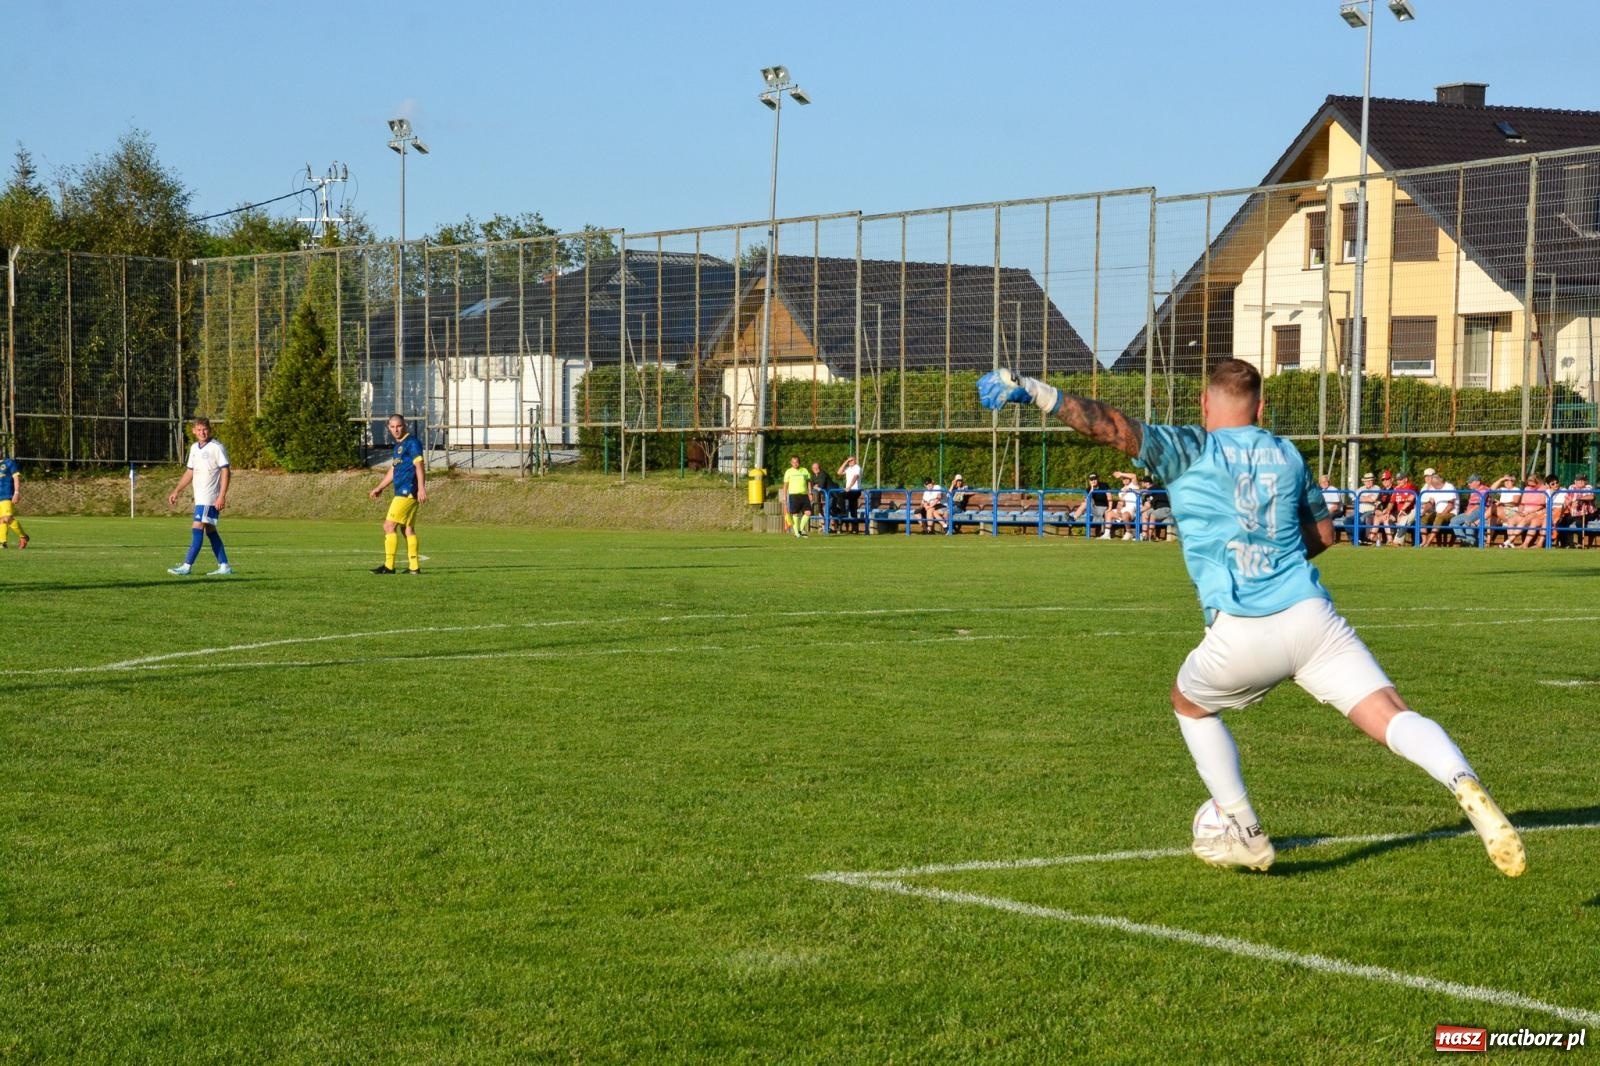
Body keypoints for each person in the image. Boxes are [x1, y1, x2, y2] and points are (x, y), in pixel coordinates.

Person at [978, 359, 1525, 877]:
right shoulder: (1287, 454)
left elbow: (1114, 428)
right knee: (1390, 712)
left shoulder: (1192, 447)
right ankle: (1462, 779)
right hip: (1313, 618)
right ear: (1261, 409)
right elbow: (1325, 534)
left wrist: (1036, 391)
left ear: (1204, 405)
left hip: (1242, 627)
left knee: (1189, 705)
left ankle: (1243, 827)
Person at [166, 416, 232, 576]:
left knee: (197, 527)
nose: (202, 432)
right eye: (199, 429)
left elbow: (226, 471)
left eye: (205, 429)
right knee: (210, 530)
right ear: (194, 431)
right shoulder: (195, 448)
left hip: (210, 497)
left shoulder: (217, 447)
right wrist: (177, 490)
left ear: (210, 430)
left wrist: (221, 496)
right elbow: (190, 472)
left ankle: (186, 566)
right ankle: (224, 565)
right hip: (200, 497)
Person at [369, 413, 426, 572]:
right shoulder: (398, 446)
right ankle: (414, 567)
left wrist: (421, 487)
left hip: (407, 491)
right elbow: (394, 470)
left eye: (398, 426)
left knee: (388, 525)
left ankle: (389, 566)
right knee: (407, 528)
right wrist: (380, 487)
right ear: (389, 428)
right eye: (392, 427)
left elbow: (419, 466)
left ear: (404, 425)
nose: (396, 430)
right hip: (403, 490)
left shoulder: (412, 443)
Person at [1417, 468, 1457, 547]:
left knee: (1439, 517)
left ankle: (1428, 543)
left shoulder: (1449, 487)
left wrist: (1441, 514)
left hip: (1451, 513)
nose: (1432, 486)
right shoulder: (1433, 488)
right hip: (1438, 513)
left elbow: (1450, 505)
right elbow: (1431, 503)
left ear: (1438, 481)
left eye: (1434, 484)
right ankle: (1424, 542)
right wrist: (1423, 511)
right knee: (1423, 518)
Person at [1448, 474, 1490, 546]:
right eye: (1468, 482)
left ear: (1478, 482)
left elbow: (1479, 504)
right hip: (1471, 511)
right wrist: (1468, 510)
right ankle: (1465, 541)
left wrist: (1469, 511)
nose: (1468, 484)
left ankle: (1470, 542)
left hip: (1480, 510)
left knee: (1468, 521)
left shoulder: (1484, 489)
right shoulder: (1473, 491)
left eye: (1470, 482)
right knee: (1453, 521)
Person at [0, 450, 29, 549]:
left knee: (7, 518)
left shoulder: (9, 463)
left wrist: (16, 493)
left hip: (7, 495)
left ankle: (23, 536)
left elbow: (16, 478)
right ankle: (2, 543)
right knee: (1, 520)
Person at [780, 455, 811, 538]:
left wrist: (810, 493)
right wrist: (784, 496)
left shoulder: (804, 470)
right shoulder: (788, 472)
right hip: (793, 495)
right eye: (793, 462)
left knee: (808, 512)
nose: (795, 463)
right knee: (795, 514)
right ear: (791, 463)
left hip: (804, 494)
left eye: (796, 462)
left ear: (799, 462)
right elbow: (785, 485)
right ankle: (796, 532)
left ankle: (801, 529)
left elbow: (808, 482)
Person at [1139, 475, 1173, 540]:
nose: (1141, 484)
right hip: (1157, 509)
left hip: (1165, 509)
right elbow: (1147, 505)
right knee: (1144, 514)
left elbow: (1143, 492)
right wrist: (1138, 511)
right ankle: (1144, 535)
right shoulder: (1148, 494)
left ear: (1147, 483)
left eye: (1142, 482)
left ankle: (1149, 537)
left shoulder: (1155, 487)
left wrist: (1131, 490)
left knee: (1153, 515)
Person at [836, 455, 863, 533]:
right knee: (853, 508)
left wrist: (850, 486)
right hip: (849, 491)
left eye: (852, 460)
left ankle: (843, 512)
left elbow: (856, 477)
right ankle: (855, 529)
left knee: (841, 495)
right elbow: (839, 472)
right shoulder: (848, 468)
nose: (851, 462)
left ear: (855, 461)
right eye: (849, 461)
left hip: (855, 490)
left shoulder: (857, 467)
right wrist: (845, 462)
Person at [809, 462, 839, 532]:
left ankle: (827, 529)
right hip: (826, 495)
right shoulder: (813, 476)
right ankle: (835, 525)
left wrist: (816, 486)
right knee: (830, 510)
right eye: (814, 468)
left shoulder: (823, 474)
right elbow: (811, 484)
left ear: (820, 467)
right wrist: (814, 486)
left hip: (832, 494)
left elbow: (820, 486)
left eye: (817, 467)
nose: (816, 469)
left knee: (826, 509)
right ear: (812, 469)